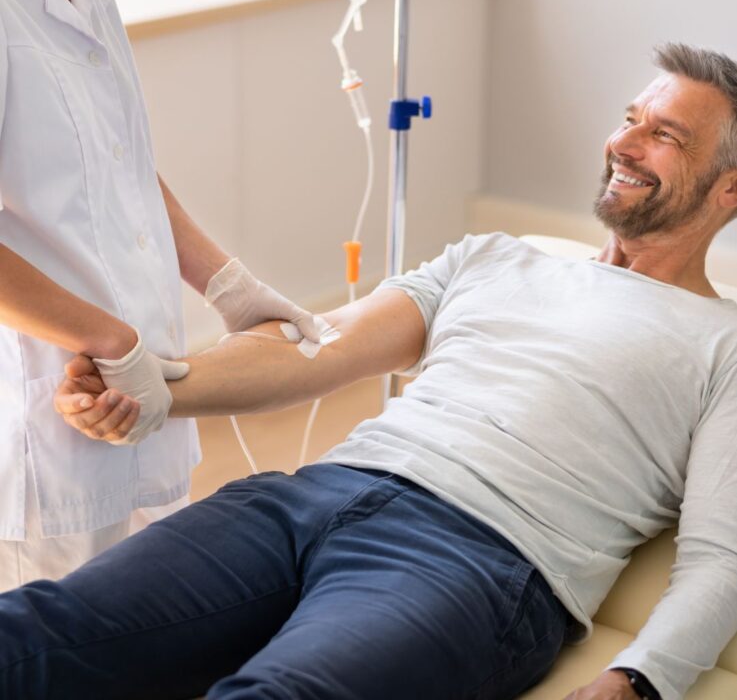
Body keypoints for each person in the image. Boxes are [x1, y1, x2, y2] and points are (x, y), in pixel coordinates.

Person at [2, 40, 737, 700]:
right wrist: (156, 385)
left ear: (727, 189)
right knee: (31, 636)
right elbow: (320, 347)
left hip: (476, 561)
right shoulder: (494, 255)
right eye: (631, 118)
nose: (624, 143)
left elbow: (719, 554)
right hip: (307, 499)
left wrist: (642, 680)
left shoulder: (723, 343)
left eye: (663, 136)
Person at [0, 0, 325, 591]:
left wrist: (224, 282)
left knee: (148, 620)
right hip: (48, 398)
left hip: (133, 381)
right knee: (57, 644)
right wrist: (109, 339)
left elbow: (116, 159)